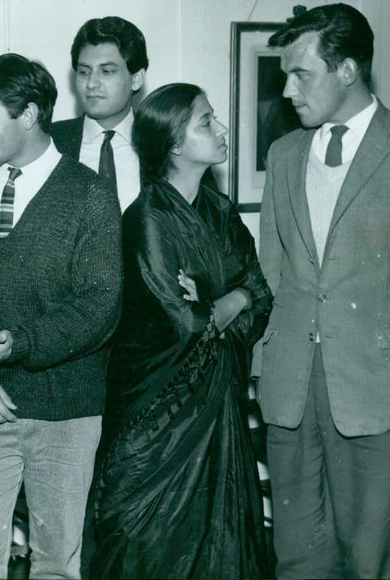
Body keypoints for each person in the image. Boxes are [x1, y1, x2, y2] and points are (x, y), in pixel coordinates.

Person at [0, 53, 122, 579]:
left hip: (67, 415)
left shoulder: (91, 196)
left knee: (58, 565)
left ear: (30, 115)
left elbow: (98, 308)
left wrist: (16, 344)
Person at [254, 3, 390, 579]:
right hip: (290, 388)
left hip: (383, 387)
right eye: (284, 75)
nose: (289, 90)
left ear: (348, 70)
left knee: (371, 557)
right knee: (296, 556)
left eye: (302, 74)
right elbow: (271, 272)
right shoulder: (283, 154)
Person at [92, 83, 272, 579]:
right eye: (205, 122)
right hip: (157, 410)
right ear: (173, 143)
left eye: (214, 119)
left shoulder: (219, 210)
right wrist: (230, 301)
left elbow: (260, 293)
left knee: (220, 542)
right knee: (146, 543)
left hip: (215, 404)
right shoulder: (147, 217)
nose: (220, 129)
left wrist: (225, 300)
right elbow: (184, 323)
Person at [51, 16, 148, 212]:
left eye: (107, 71)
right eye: (84, 72)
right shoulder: (49, 141)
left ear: (136, 79)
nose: (91, 84)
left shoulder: (165, 143)